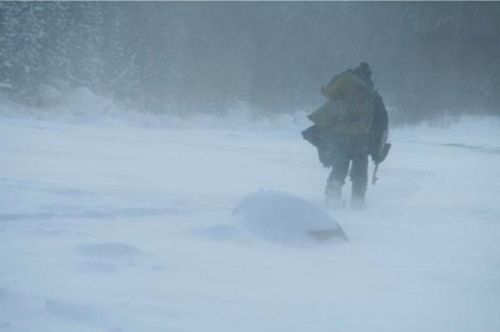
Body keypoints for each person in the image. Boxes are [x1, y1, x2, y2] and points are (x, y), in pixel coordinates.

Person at [302, 62, 389, 209]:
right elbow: (381, 121)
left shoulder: (342, 91)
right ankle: (358, 201)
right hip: (361, 138)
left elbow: (331, 114)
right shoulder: (371, 95)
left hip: (339, 135)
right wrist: (378, 145)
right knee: (360, 171)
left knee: (339, 165)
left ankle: (332, 197)